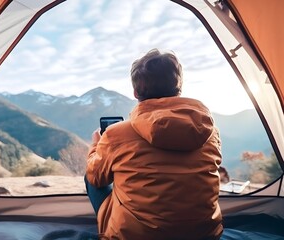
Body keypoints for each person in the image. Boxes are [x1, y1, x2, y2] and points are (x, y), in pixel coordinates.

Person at [85, 48, 223, 240]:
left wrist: (96, 146)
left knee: (94, 173)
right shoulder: (210, 132)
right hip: (205, 235)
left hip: (135, 236)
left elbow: (96, 178)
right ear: (179, 87)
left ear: (135, 92)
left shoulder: (116, 134)